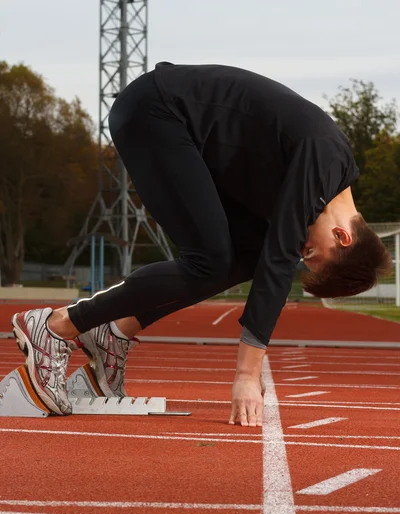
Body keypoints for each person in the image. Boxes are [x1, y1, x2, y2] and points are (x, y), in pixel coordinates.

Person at [12, 62, 392, 425]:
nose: (301, 248)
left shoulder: (327, 174)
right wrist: (247, 373)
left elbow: (268, 259)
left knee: (243, 258)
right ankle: (56, 325)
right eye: (311, 251)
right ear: (343, 237)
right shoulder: (323, 160)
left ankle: (113, 332)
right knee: (211, 260)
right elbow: (278, 259)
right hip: (156, 109)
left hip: (186, 136)